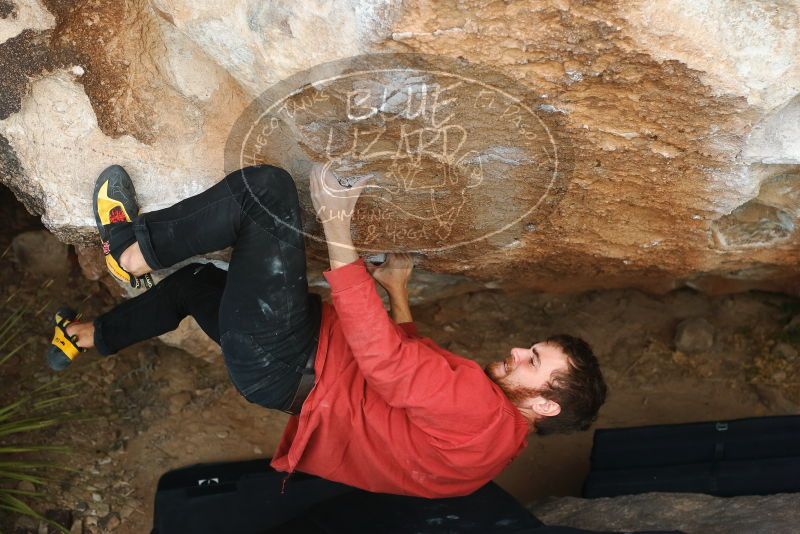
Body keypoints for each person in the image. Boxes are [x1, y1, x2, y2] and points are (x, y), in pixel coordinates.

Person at [48, 163, 607, 498]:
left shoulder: (482, 413)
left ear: (548, 405)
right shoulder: (493, 447)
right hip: (282, 375)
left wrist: (336, 220)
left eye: (534, 360)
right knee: (195, 284)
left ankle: (128, 251)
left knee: (265, 193)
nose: (517, 351)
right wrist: (396, 290)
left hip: (286, 356)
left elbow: (385, 362)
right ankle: (87, 335)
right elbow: (413, 386)